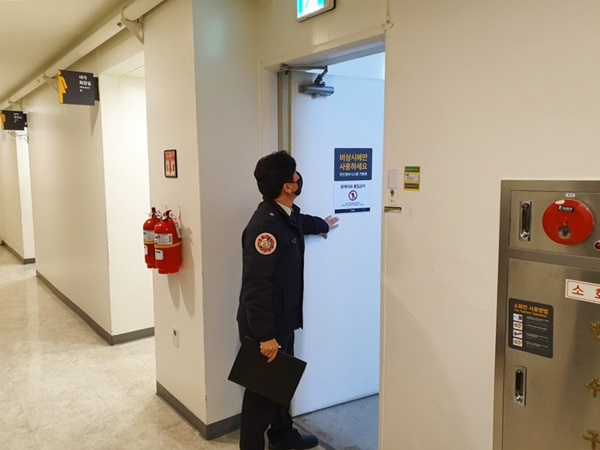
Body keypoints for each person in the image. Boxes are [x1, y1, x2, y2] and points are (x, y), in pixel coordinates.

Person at [237, 150, 339, 450]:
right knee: (260, 395)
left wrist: (322, 225)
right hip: (266, 325)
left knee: (281, 385)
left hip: (282, 320)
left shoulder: (283, 213)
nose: (298, 177)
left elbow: (299, 223)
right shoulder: (265, 228)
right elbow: (255, 286)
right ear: (288, 186)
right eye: (295, 174)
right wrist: (265, 336)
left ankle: (283, 436)